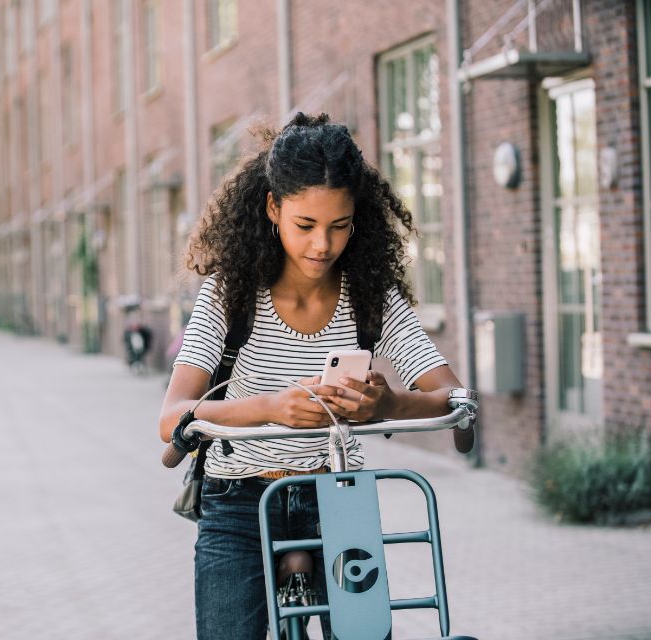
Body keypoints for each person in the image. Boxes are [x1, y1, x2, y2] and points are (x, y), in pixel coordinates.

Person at [158, 112, 474, 640]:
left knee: (364, 635)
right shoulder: (229, 295)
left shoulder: (371, 298)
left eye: (339, 226)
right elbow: (171, 419)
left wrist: (388, 406)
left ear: (358, 219)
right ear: (273, 208)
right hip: (238, 505)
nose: (322, 245)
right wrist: (270, 408)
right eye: (305, 225)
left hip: (337, 500)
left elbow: (454, 397)